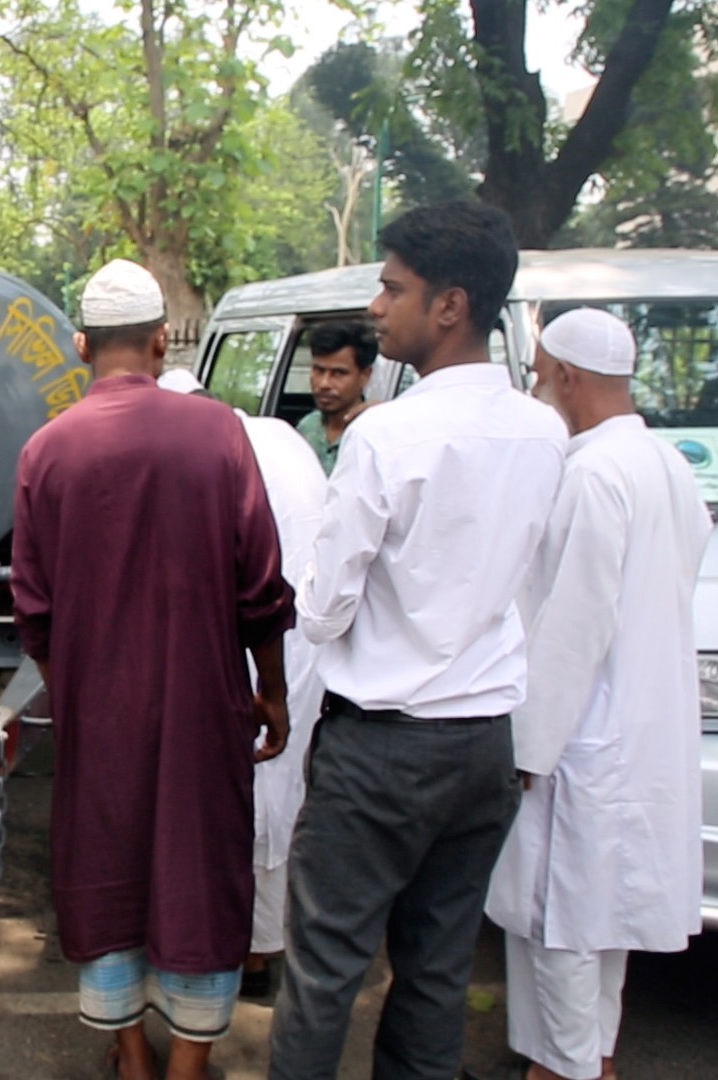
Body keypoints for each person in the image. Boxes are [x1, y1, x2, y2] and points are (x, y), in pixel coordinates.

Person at [267, 200, 569, 1080]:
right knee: (436, 973)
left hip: (382, 748)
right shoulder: (543, 432)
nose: (376, 305)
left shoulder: (385, 436)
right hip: (482, 746)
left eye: (393, 288)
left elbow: (322, 609)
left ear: (451, 305)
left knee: (324, 972)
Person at [12, 260, 295, 1080]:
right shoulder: (218, 433)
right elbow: (260, 586)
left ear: (80, 345)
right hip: (206, 699)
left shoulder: (47, 450)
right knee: (200, 862)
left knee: (106, 863)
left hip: (99, 700)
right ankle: (190, 1063)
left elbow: (35, 608)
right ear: (163, 340)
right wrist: (269, 691)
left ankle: (132, 1056)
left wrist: (73, 691)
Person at [473, 309, 712, 1080]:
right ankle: (576, 1065)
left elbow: (570, 629)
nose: (539, 387)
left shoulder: (592, 474)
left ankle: (571, 1071)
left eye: (540, 374)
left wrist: (528, 750)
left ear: (566, 377)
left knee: (563, 929)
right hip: (641, 734)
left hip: (581, 742)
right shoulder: (668, 465)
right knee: (601, 929)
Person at [158, 368, 327, 1001]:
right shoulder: (280, 434)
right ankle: (259, 945)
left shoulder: (213, 450)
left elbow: (241, 577)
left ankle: (245, 954)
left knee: (250, 796)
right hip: (309, 641)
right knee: (279, 796)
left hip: (265, 644)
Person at [294, 321, 378, 476]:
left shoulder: (375, 433)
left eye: (338, 373)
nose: (324, 383)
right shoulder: (307, 428)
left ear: (365, 375)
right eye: (318, 370)